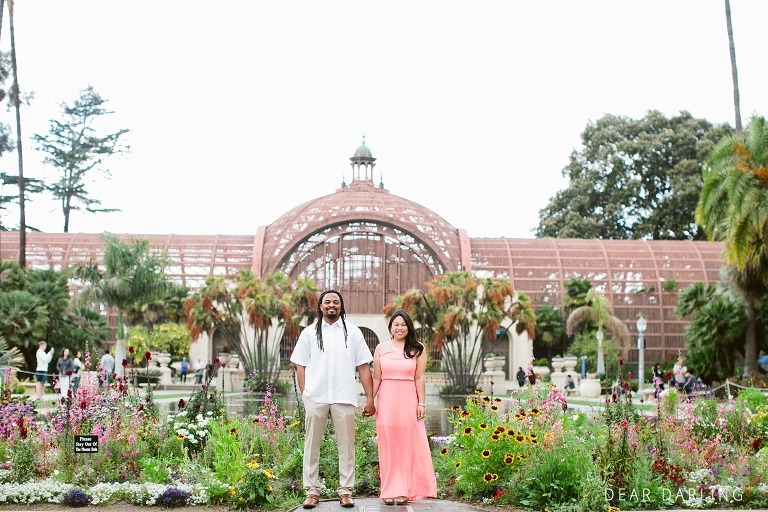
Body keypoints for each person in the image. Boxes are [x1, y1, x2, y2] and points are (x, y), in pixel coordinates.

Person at [290, 290, 375, 509]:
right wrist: (305, 393)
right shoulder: (309, 333)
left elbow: (364, 366)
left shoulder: (353, 332)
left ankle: (346, 491)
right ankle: (311, 491)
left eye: (335, 302)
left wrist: (370, 399)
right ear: (320, 306)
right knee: (311, 446)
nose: (331, 305)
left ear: (341, 306)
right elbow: (301, 365)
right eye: (327, 302)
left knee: (347, 446)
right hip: (316, 396)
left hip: (343, 396)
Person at [372, 309, 437, 505]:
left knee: (407, 445)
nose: (399, 328)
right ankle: (388, 490)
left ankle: (403, 490)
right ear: (390, 327)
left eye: (403, 324)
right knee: (388, 445)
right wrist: (369, 401)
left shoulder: (417, 349)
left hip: (408, 399)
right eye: (396, 324)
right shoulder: (381, 348)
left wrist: (421, 403)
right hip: (386, 400)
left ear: (409, 328)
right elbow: (376, 377)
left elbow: (419, 377)